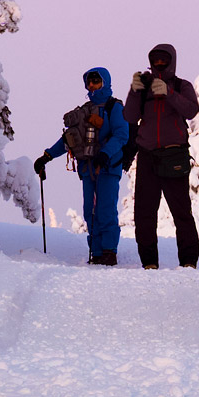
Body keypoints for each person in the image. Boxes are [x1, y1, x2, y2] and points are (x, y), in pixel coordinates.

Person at [34, 67, 127, 265]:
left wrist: (105, 153)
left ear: (105, 82)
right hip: (88, 168)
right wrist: (47, 156)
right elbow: (69, 140)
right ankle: (97, 252)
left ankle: (109, 252)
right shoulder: (83, 111)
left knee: (105, 209)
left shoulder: (114, 107)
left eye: (96, 81)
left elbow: (121, 135)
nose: (92, 85)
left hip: (108, 167)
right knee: (89, 211)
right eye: (89, 82)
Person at [125, 42, 199, 270]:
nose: (159, 63)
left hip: (174, 155)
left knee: (181, 212)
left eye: (163, 59)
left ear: (171, 60)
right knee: (144, 213)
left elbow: (191, 110)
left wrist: (168, 93)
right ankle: (149, 262)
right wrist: (134, 91)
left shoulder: (181, 85)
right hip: (147, 155)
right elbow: (129, 116)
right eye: (155, 59)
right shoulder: (144, 88)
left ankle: (188, 261)